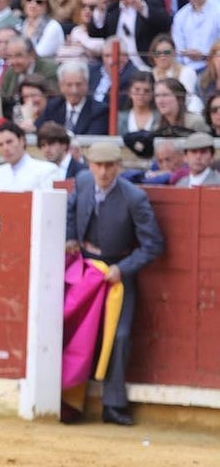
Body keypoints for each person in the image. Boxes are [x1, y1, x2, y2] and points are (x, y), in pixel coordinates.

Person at [65, 140, 164, 425]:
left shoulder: (134, 197)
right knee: (73, 329)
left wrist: (123, 268)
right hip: (84, 269)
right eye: (99, 165)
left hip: (116, 275)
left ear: (119, 167)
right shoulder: (83, 182)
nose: (104, 172)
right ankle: (68, 401)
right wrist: (70, 237)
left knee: (119, 336)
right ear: (90, 165)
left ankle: (114, 404)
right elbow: (71, 210)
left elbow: (153, 244)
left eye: (110, 166)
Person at [171, 0, 220, 75]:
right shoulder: (180, 16)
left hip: (214, 70)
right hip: (186, 71)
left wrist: (204, 56)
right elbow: (179, 49)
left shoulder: (218, 12)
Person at [38, 60, 109, 136]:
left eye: (79, 84)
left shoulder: (100, 110)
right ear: (61, 86)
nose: (74, 90)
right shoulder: (53, 106)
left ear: (87, 84)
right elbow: (39, 130)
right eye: (69, 85)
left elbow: (91, 139)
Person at [0, 120, 58, 191]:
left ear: (22, 141)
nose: (5, 148)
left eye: (9, 142)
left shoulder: (46, 170)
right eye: (1, 144)